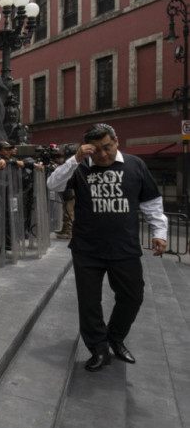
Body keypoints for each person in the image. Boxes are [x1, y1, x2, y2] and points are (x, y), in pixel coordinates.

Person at [47, 123, 167, 372]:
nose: (103, 155)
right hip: (87, 248)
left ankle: (115, 337)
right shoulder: (79, 167)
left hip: (124, 247)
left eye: (107, 148)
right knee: (89, 302)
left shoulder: (135, 165)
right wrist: (75, 159)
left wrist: (160, 232)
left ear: (117, 141)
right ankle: (98, 348)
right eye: (96, 150)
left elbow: (151, 200)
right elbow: (53, 185)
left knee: (133, 296)